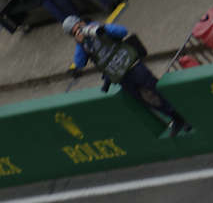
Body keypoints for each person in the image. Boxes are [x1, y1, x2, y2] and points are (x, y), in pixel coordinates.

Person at [65, 16, 194, 137]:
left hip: (132, 65)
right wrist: (80, 43)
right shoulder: (83, 45)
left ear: (82, 22)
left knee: (155, 90)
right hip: (120, 75)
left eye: (79, 27)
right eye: (74, 31)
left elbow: (122, 31)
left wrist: (103, 29)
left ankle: (183, 115)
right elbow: (80, 63)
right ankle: (175, 118)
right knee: (147, 100)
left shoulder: (98, 27)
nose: (79, 30)